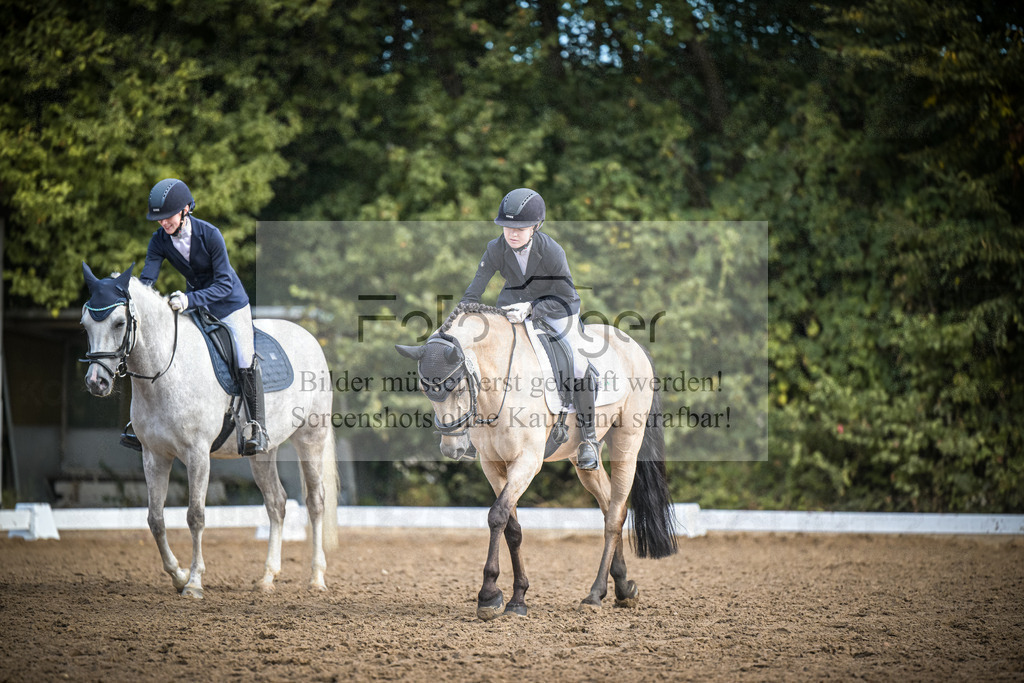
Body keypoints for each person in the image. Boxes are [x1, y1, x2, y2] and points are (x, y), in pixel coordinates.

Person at [461, 188, 600, 470]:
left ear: (535, 227)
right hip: (512, 311)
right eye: (507, 227)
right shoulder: (496, 248)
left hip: (556, 309)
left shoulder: (551, 251)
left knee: (579, 364)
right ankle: (468, 433)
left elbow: (568, 296)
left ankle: (589, 440)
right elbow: (475, 289)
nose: (512, 233)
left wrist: (534, 308)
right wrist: (463, 316)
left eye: (520, 228)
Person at [129, 178, 267, 455]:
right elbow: (147, 280)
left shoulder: (210, 234)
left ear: (185, 210)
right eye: (159, 219)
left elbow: (225, 284)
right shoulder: (159, 241)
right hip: (197, 306)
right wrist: (135, 297)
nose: (163, 223)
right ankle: (141, 424)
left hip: (230, 305)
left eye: (167, 217)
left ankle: (257, 427)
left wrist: (189, 299)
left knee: (243, 358)